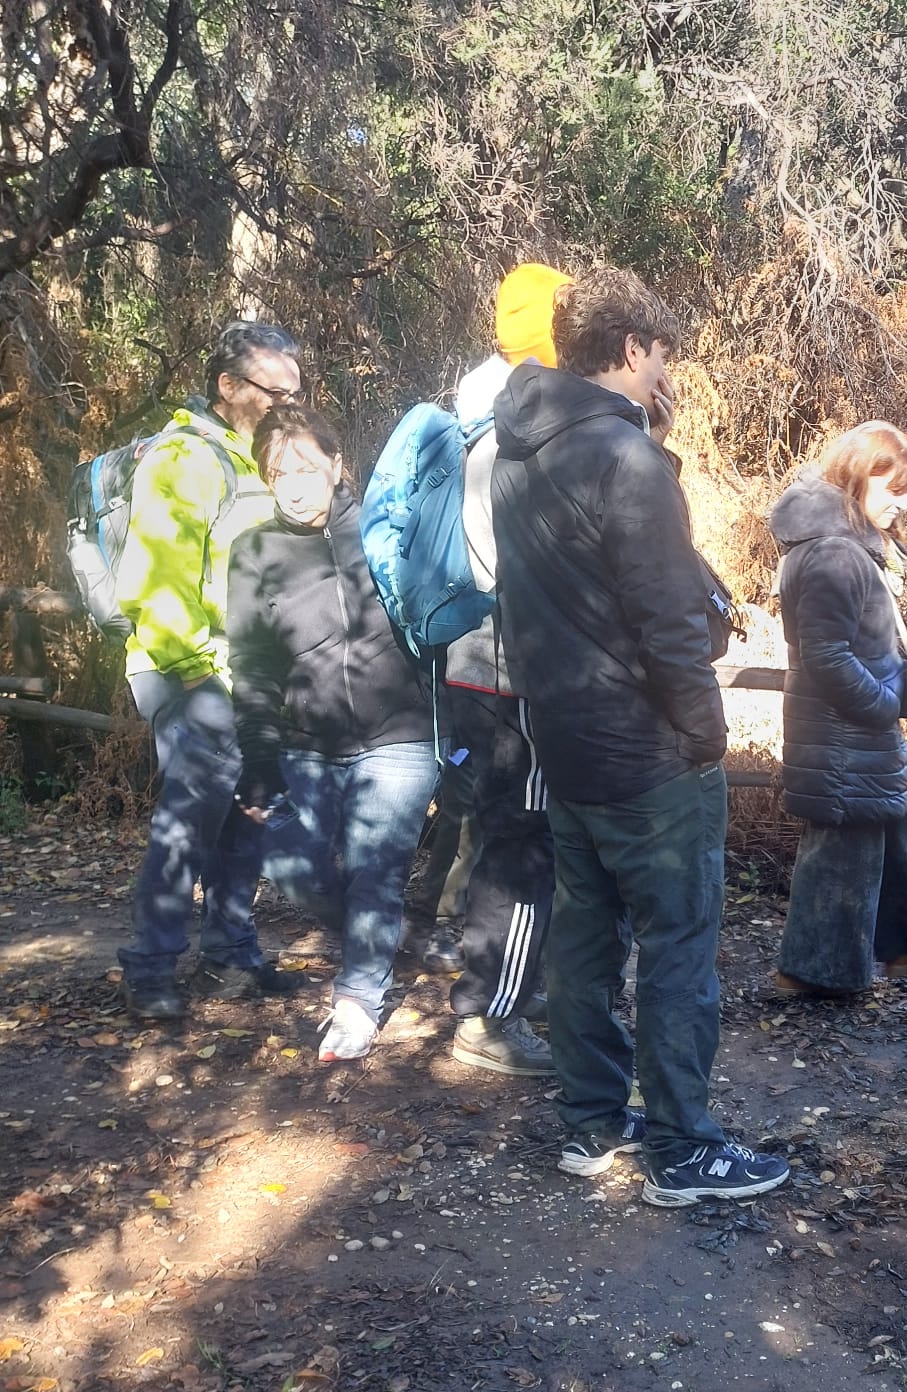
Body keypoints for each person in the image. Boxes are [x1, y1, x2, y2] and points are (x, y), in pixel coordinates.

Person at [490, 265, 790, 1207]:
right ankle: (683, 1149)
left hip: (564, 741)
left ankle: (591, 1123)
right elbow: (666, 622)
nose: (668, 373)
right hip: (648, 754)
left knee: (585, 933)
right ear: (630, 351)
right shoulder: (627, 462)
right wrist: (707, 736)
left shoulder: (515, 447)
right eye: (662, 356)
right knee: (676, 943)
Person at [227, 406, 439, 1062]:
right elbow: (252, 666)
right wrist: (259, 757)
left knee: (377, 869)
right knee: (292, 868)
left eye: (304, 467)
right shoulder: (255, 553)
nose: (291, 483)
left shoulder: (385, 529)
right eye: (276, 472)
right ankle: (383, 933)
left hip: (400, 736)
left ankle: (357, 998)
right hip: (304, 746)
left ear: (337, 463)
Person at [114, 321, 305, 1020]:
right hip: (194, 673)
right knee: (189, 823)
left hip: (246, 679)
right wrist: (200, 677)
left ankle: (230, 954)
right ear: (227, 387)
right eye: (273, 389)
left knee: (245, 818)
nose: (289, 401)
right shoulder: (182, 458)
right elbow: (159, 583)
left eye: (296, 389)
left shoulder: (255, 455)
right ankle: (152, 966)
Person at [436, 263, 577, 1074]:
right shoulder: (519, 424)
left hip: (472, 659)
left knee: (505, 834)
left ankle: (509, 991)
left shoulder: (473, 411)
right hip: (511, 667)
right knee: (524, 842)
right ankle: (488, 1016)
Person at [771, 424, 907, 997]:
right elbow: (826, 655)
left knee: (893, 811)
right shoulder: (835, 553)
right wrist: (881, 702)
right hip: (843, 728)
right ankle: (813, 971)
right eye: (895, 487)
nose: (905, 503)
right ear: (859, 476)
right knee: (843, 843)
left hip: (854, 727)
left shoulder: (846, 542)